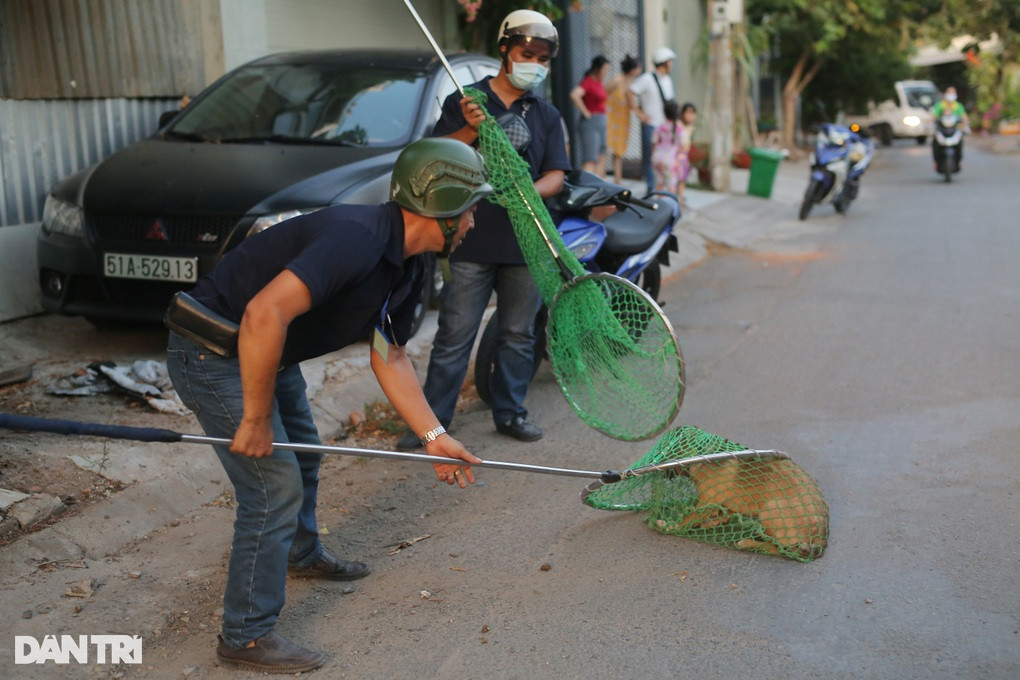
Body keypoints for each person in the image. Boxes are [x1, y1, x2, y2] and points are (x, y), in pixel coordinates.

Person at [165, 137, 490, 673]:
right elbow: (264, 314)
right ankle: (245, 634)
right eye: (472, 208)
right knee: (273, 486)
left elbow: (390, 355)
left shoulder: (408, 265)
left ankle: (300, 553)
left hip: (269, 351)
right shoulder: (355, 237)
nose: (475, 222)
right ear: (444, 206)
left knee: (305, 456)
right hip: (213, 350)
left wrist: (435, 437)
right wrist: (254, 418)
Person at [397, 8, 570, 449]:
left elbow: (557, 174)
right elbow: (435, 154)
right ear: (505, 51)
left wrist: (527, 191)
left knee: (518, 335)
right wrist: (470, 130)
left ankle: (511, 412)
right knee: (455, 335)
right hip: (469, 240)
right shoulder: (466, 102)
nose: (535, 65)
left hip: (527, 244)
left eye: (543, 59)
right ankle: (433, 422)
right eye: (527, 55)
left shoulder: (546, 114)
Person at [630, 46, 677, 194]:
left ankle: (664, 189)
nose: (672, 64)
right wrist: (640, 114)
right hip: (651, 125)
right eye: (670, 61)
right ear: (664, 62)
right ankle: (651, 188)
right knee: (650, 159)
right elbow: (630, 92)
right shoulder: (647, 79)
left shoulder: (668, 80)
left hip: (665, 126)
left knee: (666, 159)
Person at [570, 54, 610, 176]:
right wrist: (586, 112)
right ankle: (586, 183)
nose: (606, 72)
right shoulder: (588, 82)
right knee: (590, 158)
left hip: (601, 121)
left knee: (601, 155)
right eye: (604, 69)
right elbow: (574, 95)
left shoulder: (600, 83)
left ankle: (599, 183)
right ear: (597, 69)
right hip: (591, 123)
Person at [605, 54, 642, 184]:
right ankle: (601, 175)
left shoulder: (630, 83)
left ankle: (618, 178)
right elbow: (603, 94)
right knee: (605, 147)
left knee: (619, 150)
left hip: (623, 119)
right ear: (632, 69)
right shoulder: (617, 80)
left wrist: (641, 115)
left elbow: (632, 104)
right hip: (611, 118)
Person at [932, 86, 970, 167]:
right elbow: (933, 117)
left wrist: (966, 124)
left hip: (954, 130)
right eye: (949, 92)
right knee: (935, 143)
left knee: (960, 142)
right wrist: (931, 123)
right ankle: (936, 162)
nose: (951, 94)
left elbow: (964, 117)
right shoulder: (940, 105)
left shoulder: (958, 106)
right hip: (942, 130)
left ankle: (959, 161)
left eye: (953, 93)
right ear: (945, 94)